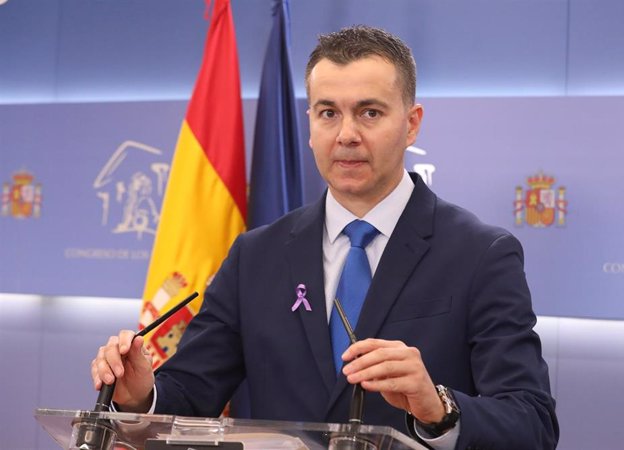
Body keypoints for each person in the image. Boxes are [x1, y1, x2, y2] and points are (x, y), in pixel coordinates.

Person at [92, 25, 559, 450]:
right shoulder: (256, 255)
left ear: (412, 123)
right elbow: (191, 395)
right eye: (328, 113)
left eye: (369, 112)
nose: (347, 134)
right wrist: (142, 397)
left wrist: (438, 409)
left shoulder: (480, 254)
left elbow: (532, 424)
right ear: (310, 123)